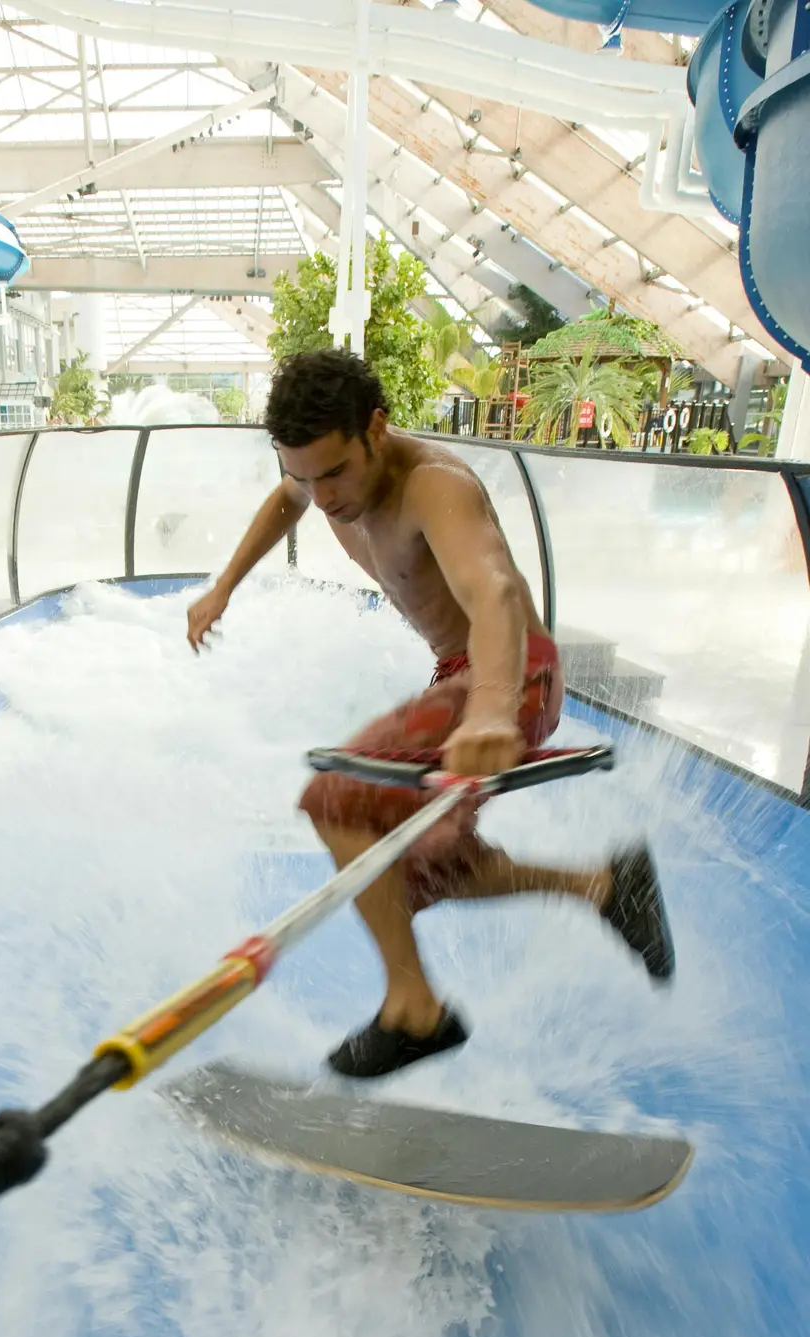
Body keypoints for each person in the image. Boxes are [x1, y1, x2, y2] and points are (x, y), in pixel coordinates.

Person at [186, 348, 675, 1080]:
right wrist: (224, 584)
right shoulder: (318, 477)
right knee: (409, 873)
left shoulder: (434, 489)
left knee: (337, 800)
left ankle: (413, 1010)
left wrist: (489, 712)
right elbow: (286, 498)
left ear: (376, 429)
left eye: (335, 474)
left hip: (513, 675)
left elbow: (495, 596)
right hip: (459, 675)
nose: (322, 498)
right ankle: (606, 888)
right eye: (304, 473)